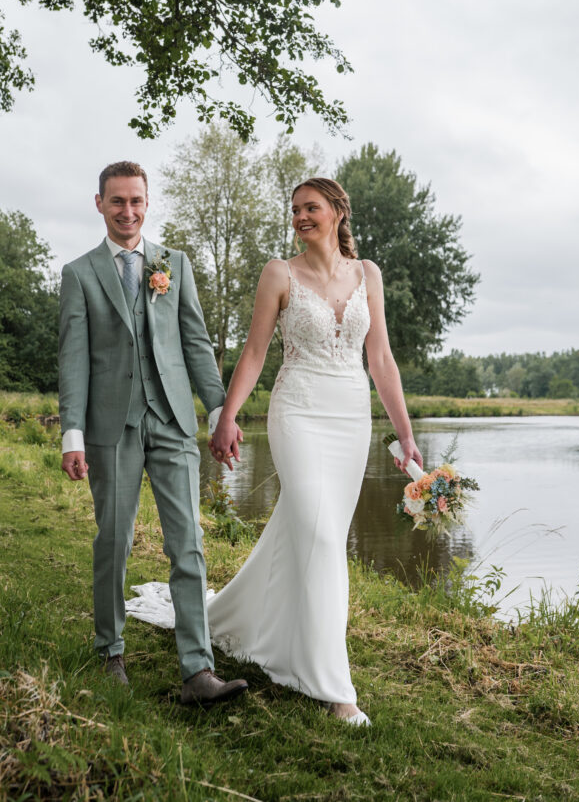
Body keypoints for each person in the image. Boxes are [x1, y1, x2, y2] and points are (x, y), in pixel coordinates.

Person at [127, 176, 422, 726]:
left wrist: (404, 437)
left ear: (337, 211)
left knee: (312, 531)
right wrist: (228, 416)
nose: (300, 218)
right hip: (299, 412)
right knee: (320, 532)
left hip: (351, 419)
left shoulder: (369, 275)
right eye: (294, 211)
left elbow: (380, 359)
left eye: (310, 208)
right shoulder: (278, 273)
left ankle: (264, 625)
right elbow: (256, 352)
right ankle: (336, 689)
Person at [58, 160, 248, 705]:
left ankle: (197, 671)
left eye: (136, 201)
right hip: (109, 426)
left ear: (147, 202)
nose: (128, 211)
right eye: (117, 201)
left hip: (171, 421)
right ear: (100, 204)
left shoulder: (174, 265)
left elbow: (196, 343)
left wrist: (220, 412)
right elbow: (73, 360)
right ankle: (109, 653)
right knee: (113, 541)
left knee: (187, 545)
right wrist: (72, 433)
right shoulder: (80, 273)